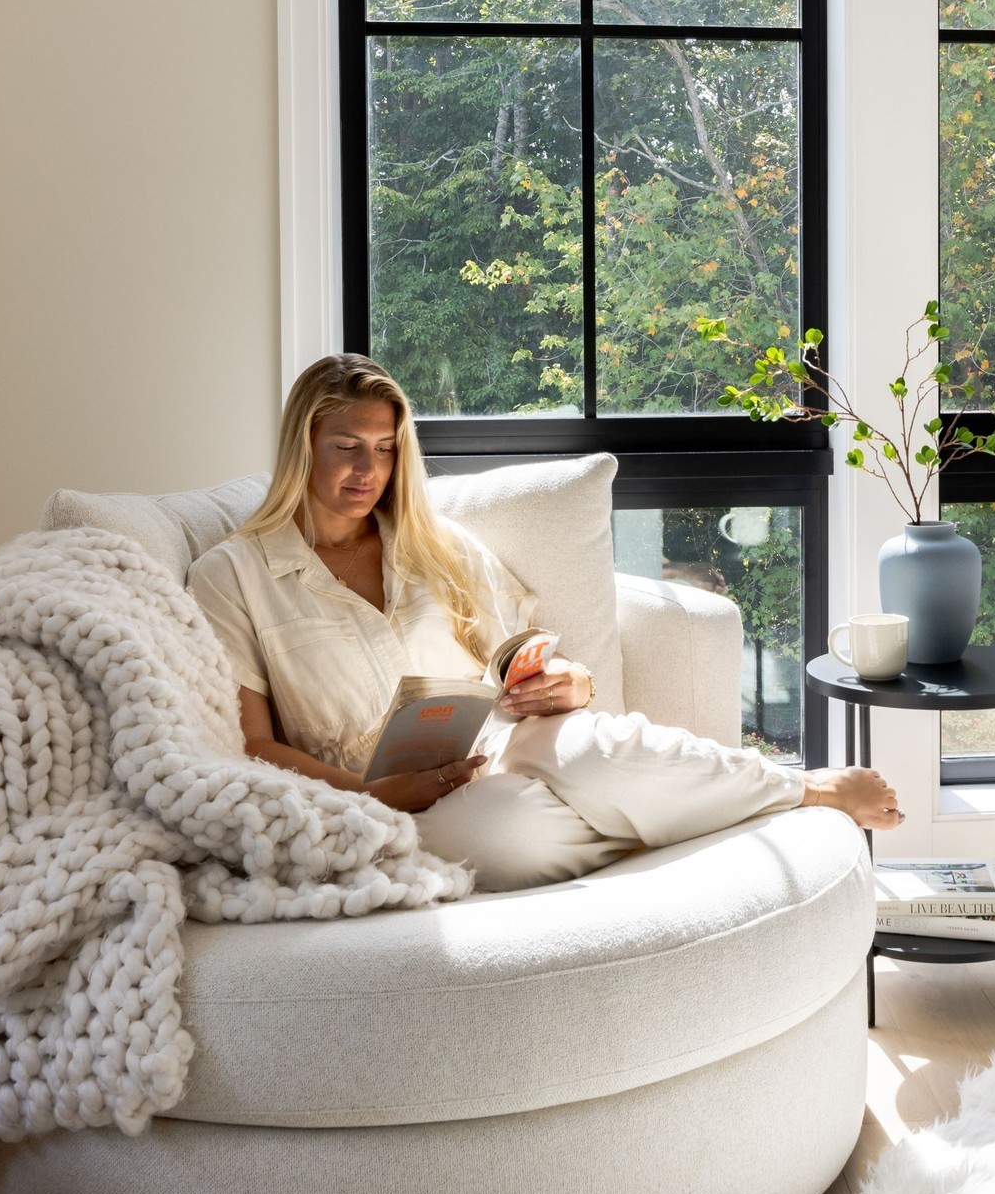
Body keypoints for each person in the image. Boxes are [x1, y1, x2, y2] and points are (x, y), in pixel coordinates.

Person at [188, 354, 903, 892]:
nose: (367, 469)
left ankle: (808, 789)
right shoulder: (234, 574)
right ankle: (693, 819)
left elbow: (513, 651)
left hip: (503, 742)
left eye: (384, 449)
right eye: (347, 446)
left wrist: (569, 680)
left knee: (602, 753)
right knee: (512, 839)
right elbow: (254, 745)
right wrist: (375, 795)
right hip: (383, 800)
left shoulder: (433, 543)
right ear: (303, 444)